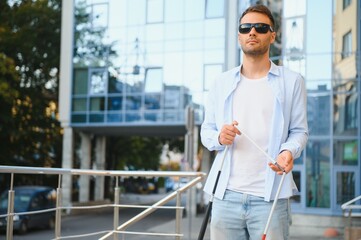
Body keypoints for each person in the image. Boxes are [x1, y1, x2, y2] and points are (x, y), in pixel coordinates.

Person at [200, 4, 308, 240]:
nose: (252, 32)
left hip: (270, 198)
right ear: (239, 35)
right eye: (246, 27)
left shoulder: (292, 81)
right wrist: (219, 137)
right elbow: (206, 130)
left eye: (260, 27)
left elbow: (299, 131)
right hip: (225, 196)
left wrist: (288, 151)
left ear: (272, 35)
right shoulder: (221, 82)